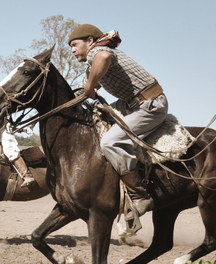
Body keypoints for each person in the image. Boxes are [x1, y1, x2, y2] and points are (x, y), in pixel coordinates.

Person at [68, 24, 168, 217]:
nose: (72, 50)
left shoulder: (98, 51)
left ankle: (140, 196)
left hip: (150, 104)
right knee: (94, 118)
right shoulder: (93, 62)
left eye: (74, 44)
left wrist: (90, 86)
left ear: (89, 41)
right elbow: (84, 86)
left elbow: (103, 59)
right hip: (131, 103)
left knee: (110, 141)